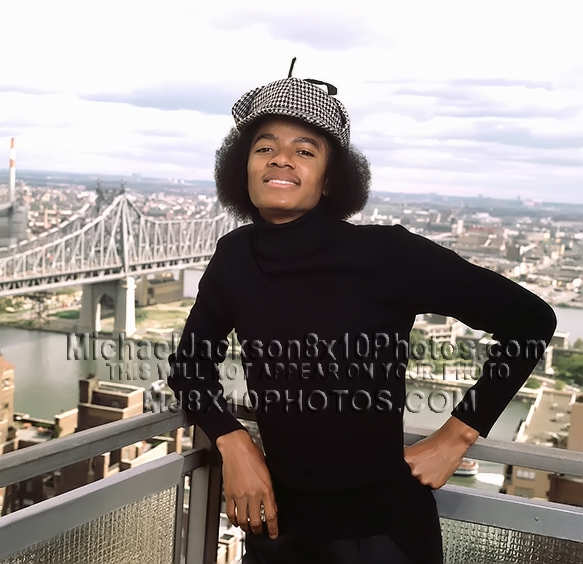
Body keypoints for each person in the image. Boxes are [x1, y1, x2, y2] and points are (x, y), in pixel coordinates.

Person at [168, 65, 556, 564]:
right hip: (276, 531)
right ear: (242, 168)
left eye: (304, 150)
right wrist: (233, 441)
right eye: (264, 147)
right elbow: (190, 367)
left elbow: (531, 321)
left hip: (384, 535)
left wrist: (456, 436)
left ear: (330, 180)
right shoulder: (234, 257)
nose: (280, 159)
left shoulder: (388, 254)